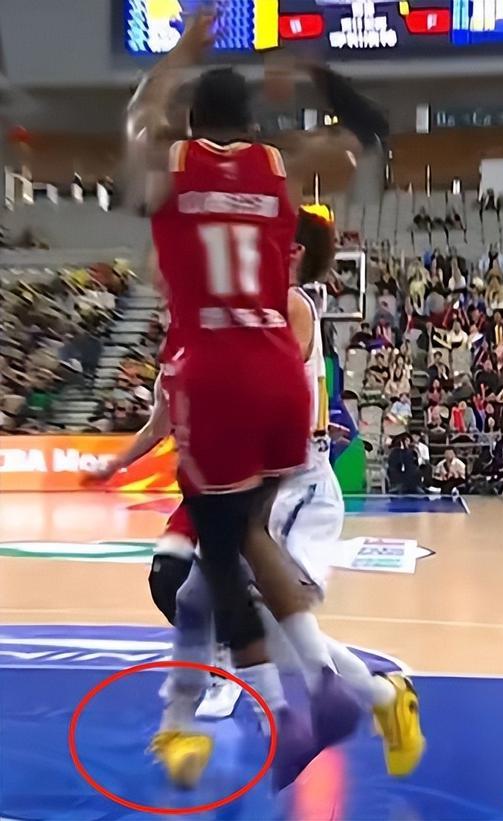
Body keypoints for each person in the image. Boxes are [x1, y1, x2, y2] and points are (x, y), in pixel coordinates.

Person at [126, 13, 389, 788]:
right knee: (234, 551)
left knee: (219, 559)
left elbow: (140, 110)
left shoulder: (173, 161)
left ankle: (303, 708)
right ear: (248, 123)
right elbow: (358, 139)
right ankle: (297, 702)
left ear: (194, 122)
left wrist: (180, 52)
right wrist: (317, 77)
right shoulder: (280, 165)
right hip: (278, 381)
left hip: (218, 376)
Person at [87, 214, 425, 782]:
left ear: (289, 254)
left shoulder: (288, 305)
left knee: (241, 609)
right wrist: (118, 462)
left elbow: (263, 387)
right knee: (196, 599)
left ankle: (345, 703)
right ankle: (202, 727)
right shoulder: (216, 322)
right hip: (256, 480)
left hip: (291, 484)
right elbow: (172, 413)